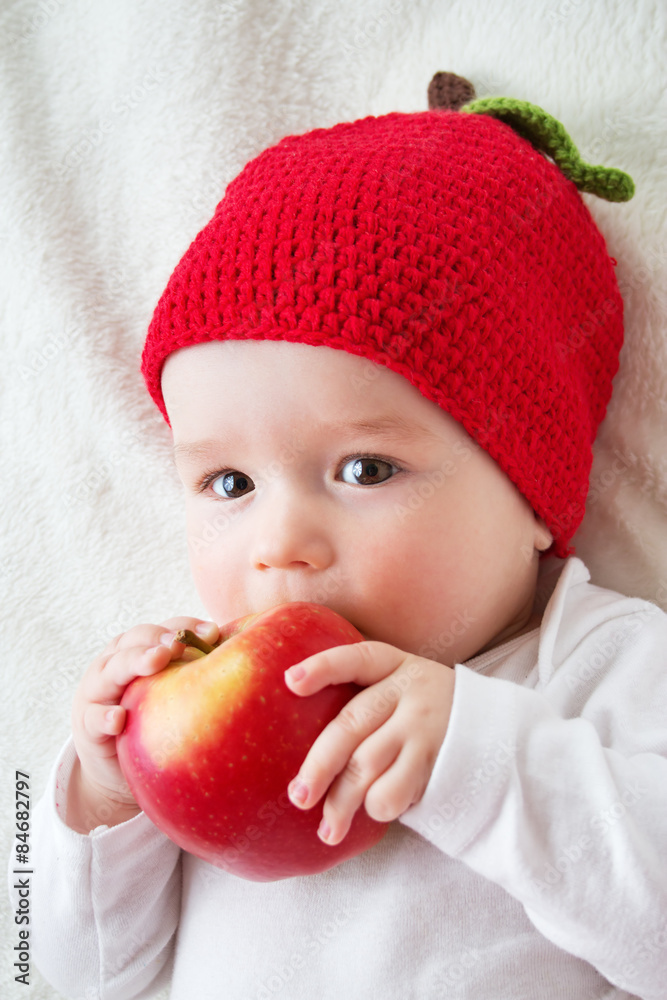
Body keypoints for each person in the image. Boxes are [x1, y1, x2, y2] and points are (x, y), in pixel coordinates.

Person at [10, 73, 667, 999]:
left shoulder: (606, 667)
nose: (281, 544)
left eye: (365, 470)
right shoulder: (174, 709)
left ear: (530, 491)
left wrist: (476, 761)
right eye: (228, 483)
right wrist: (97, 800)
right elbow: (42, 967)